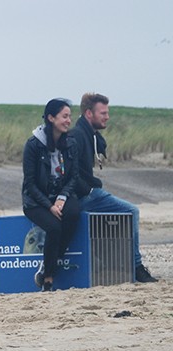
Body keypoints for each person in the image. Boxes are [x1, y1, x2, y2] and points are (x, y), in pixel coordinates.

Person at [68, 92, 158, 283]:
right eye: (103, 113)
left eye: (107, 113)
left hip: (86, 193)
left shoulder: (89, 135)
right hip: (84, 196)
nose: (107, 117)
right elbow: (71, 174)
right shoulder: (77, 136)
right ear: (89, 114)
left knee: (116, 214)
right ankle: (135, 266)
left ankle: (113, 263)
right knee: (131, 211)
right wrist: (89, 189)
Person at [22, 98, 81, 292]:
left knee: (73, 214)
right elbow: (30, 184)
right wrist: (49, 206)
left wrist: (62, 198)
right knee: (54, 227)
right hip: (36, 200)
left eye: (69, 117)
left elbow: (73, 177)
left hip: (60, 196)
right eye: (64, 116)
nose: (68, 121)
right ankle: (48, 279)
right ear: (51, 118)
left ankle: (47, 266)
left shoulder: (70, 143)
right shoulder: (33, 145)